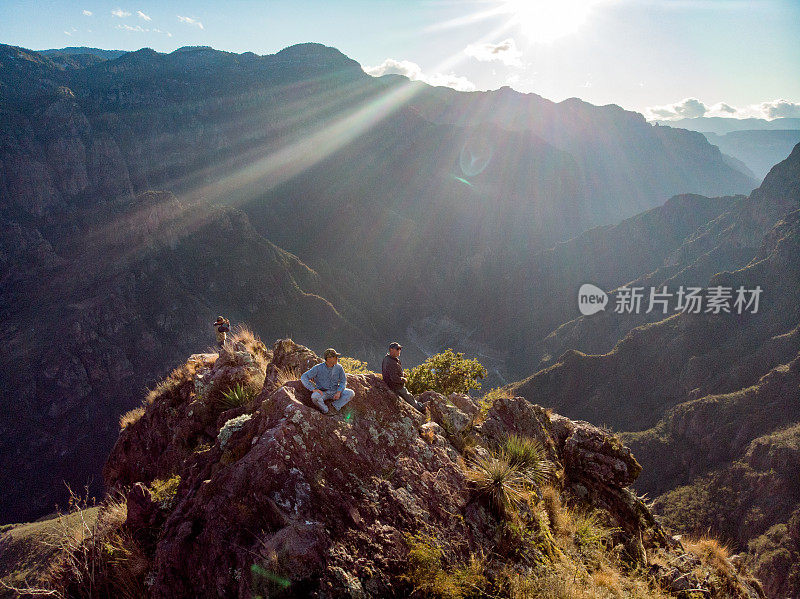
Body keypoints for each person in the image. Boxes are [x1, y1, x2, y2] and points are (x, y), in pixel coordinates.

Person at [300, 348, 355, 414]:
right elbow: (304, 377)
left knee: (350, 393)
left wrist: (339, 392)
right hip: (323, 393)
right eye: (335, 357)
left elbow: (343, 381)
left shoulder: (339, 367)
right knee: (314, 396)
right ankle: (326, 410)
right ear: (328, 359)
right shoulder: (318, 368)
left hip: (335, 391)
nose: (337, 358)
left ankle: (335, 406)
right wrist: (313, 389)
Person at [381, 342, 425, 413]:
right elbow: (394, 378)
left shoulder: (389, 359)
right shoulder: (391, 362)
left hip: (392, 385)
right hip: (395, 387)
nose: (399, 351)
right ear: (391, 350)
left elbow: (392, 372)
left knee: (409, 396)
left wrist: (402, 374)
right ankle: (421, 410)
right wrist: (403, 379)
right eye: (397, 349)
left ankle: (419, 406)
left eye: (400, 349)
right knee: (409, 397)